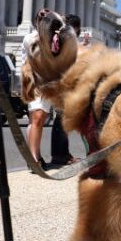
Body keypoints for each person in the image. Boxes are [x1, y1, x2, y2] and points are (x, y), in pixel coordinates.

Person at [49, 14, 87, 166]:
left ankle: (62, 154)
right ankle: (60, 155)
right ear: (76, 28)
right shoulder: (67, 40)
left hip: (60, 83)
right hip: (65, 84)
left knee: (61, 121)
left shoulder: (60, 39)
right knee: (62, 121)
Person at [22, 9, 54, 167]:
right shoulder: (31, 37)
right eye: (40, 16)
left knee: (40, 119)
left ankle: (36, 155)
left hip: (48, 81)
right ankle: (34, 160)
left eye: (46, 17)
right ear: (36, 20)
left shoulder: (52, 38)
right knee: (37, 117)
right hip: (35, 80)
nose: (43, 18)